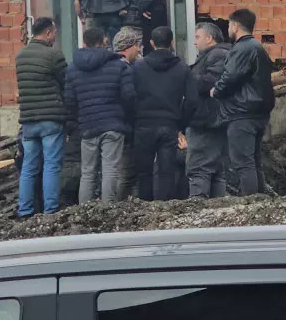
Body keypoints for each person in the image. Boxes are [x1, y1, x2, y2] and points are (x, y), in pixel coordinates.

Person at [65, 27, 135, 205]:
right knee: (110, 168)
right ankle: (107, 208)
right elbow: (129, 97)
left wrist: (78, 121)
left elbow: (69, 101)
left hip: (87, 125)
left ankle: (84, 210)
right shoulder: (119, 65)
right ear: (104, 41)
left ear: (84, 43)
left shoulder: (73, 68)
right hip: (113, 124)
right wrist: (124, 117)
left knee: (88, 171)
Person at [211, 9, 275, 195]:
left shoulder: (242, 48)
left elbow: (230, 77)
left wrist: (216, 90)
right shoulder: (257, 47)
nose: (228, 29)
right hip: (257, 112)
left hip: (242, 113)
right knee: (254, 163)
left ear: (236, 26)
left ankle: (251, 205)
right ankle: (260, 202)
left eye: (229, 25)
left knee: (243, 163)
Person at [131, 26, 195, 201]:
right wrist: (181, 124)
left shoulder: (138, 67)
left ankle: (145, 208)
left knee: (144, 173)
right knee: (167, 171)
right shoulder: (182, 68)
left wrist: (134, 118)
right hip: (170, 125)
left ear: (151, 43)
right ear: (172, 42)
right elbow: (191, 100)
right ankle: (164, 210)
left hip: (143, 124)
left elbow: (129, 95)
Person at [15, 16, 68, 219]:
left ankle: (25, 210)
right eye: (54, 32)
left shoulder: (20, 56)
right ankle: (51, 210)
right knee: (52, 164)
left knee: (29, 166)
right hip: (51, 119)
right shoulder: (53, 55)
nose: (55, 36)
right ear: (47, 33)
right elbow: (66, 84)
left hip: (28, 120)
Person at [186, 22, 231, 200]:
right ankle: (215, 213)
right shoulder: (216, 54)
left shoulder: (218, 54)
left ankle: (198, 208)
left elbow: (212, 81)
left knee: (199, 167)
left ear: (209, 38)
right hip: (214, 119)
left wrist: (187, 79)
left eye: (197, 37)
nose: (194, 42)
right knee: (216, 169)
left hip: (208, 120)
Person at [114, 26, 145, 199]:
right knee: (125, 172)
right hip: (126, 126)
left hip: (119, 125)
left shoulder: (112, 66)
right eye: (137, 46)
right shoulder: (126, 69)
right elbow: (129, 98)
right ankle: (118, 206)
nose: (139, 49)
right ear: (128, 47)